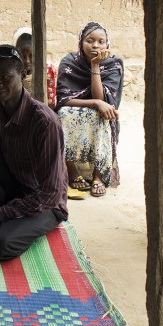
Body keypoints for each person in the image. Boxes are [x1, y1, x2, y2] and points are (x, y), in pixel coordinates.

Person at [0, 45, 67, 261]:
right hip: (13, 188)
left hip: (45, 203)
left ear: (22, 74)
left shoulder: (44, 122)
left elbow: (50, 193)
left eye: (5, 77)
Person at [56, 22, 124, 199]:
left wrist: (95, 66)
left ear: (107, 44)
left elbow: (106, 101)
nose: (95, 45)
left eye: (101, 41)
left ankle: (98, 174)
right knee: (63, 114)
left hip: (100, 114)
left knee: (103, 116)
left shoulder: (113, 64)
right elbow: (64, 100)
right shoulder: (69, 62)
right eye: (90, 40)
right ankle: (71, 171)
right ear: (81, 42)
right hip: (76, 109)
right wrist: (94, 102)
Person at [13, 27, 58, 108]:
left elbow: (51, 104)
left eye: (31, 56)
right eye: (23, 56)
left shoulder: (48, 70)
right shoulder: (12, 70)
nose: (27, 61)